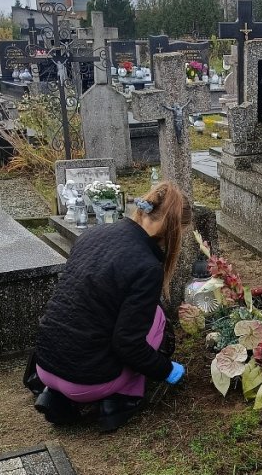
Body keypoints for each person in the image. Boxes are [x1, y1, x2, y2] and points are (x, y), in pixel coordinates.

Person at [29, 182, 190, 433]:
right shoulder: (147, 266)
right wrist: (168, 370)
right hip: (87, 381)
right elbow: (128, 344)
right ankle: (121, 399)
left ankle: (58, 395)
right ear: (175, 229)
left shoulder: (94, 234)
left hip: (44, 366)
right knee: (156, 317)